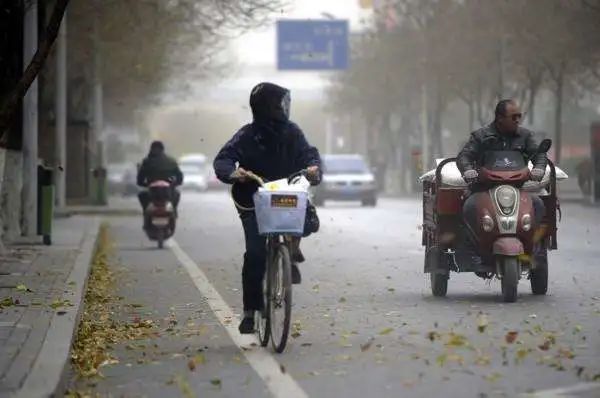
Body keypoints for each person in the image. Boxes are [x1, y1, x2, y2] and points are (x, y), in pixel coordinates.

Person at [214, 82, 321, 334]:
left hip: (284, 194)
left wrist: (314, 168)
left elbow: (309, 155)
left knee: (306, 219)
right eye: (282, 103)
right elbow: (224, 158)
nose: (285, 108)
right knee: (255, 253)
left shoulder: (293, 133)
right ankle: (250, 311)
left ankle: (291, 251)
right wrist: (232, 172)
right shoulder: (247, 135)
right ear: (271, 106)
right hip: (252, 200)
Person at [457, 99, 547, 251]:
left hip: (517, 189)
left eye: (519, 116)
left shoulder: (525, 136)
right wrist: (467, 170)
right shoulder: (481, 136)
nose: (518, 120)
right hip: (483, 188)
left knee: (537, 204)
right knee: (469, 206)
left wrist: (539, 168)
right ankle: (474, 248)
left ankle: (532, 247)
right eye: (513, 117)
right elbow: (464, 156)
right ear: (499, 118)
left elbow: (539, 154)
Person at [136, 141, 183, 228]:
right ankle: (174, 212)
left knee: (142, 195)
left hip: (152, 192)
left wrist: (144, 184)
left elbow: (140, 178)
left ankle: (146, 214)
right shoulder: (170, 161)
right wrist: (174, 184)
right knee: (176, 195)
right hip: (167, 192)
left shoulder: (147, 161)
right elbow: (179, 176)